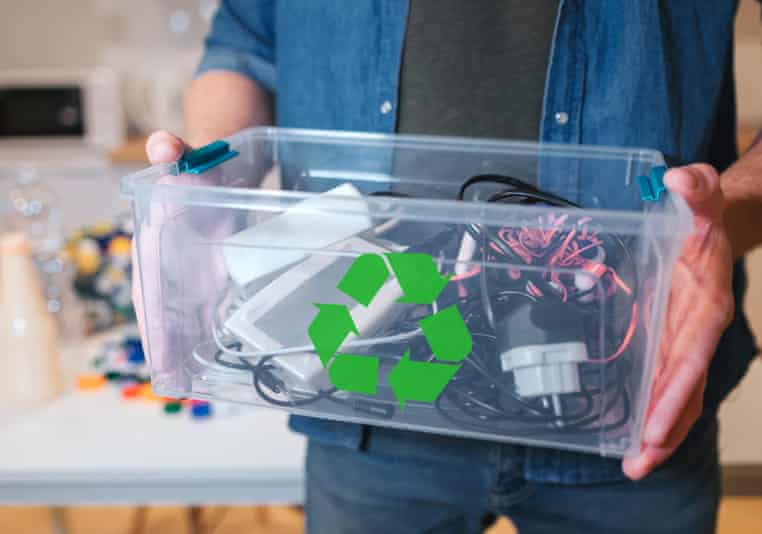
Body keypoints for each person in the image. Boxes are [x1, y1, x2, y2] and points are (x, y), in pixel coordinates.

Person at [137, 2, 761, 532]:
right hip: (361, 403)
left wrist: (715, 222)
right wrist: (206, 188)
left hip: (630, 394)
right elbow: (242, 45)